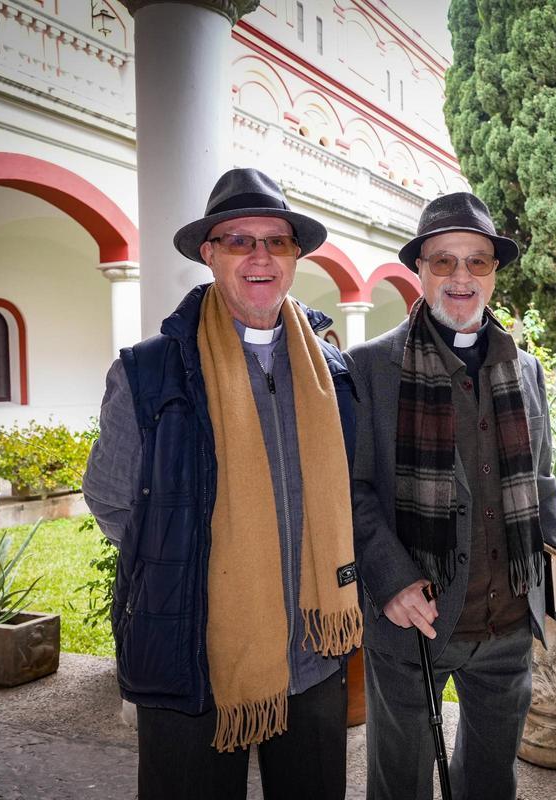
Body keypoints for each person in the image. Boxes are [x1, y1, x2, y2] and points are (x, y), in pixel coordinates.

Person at [83, 168, 362, 800]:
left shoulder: (332, 371)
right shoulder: (150, 373)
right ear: (209, 254)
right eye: (240, 241)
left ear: (294, 257)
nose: (260, 256)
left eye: (277, 241)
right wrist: (197, 571)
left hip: (314, 654)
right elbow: (110, 497)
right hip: (195, 652)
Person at [347, 192, 556, 800]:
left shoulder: (524, 368)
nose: (461, 277)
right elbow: (352, 489)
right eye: (444, 261)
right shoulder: (370, 368)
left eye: (478, 261)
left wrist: (549, 575)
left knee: (492, 783)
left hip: (507, 625)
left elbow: (543, 477)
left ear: (494, 272)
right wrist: (390, 579)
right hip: (414, 622)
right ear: (420, 271)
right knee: (401, 782)